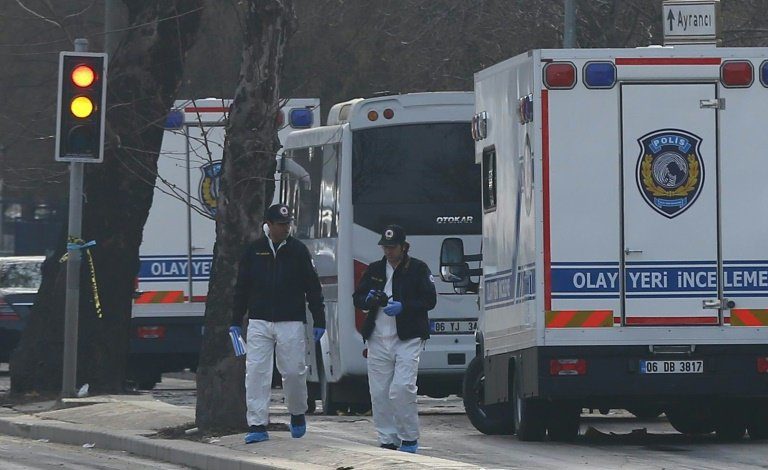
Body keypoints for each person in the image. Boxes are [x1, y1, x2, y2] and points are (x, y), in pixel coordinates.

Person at [230, 203, 326, 444]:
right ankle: (257, 424)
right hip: (259, 320)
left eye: (287, 224)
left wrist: (319, 318)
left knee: (293, 371)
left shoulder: (298, 251)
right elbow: (242, 288)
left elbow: (313, 287)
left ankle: (297, 411)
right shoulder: (254, 251)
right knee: (256, 373)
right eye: (281, 224)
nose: (286, 228)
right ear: (269, 225)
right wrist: (235, 320)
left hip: (290, 320)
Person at [352, 224, 437, 454]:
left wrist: (404, 306)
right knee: (379, 392)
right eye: (385, 247)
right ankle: (388, 438)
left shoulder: (418, 269)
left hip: (408, 337)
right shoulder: (375, 269)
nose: (388, 251)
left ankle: (409, 437)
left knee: (402, 388)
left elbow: (430, 300)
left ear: (403, 247)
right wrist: (368, 299)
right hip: (378, 338)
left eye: (392, 247)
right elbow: (357, 297)